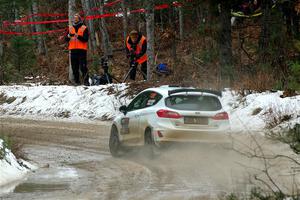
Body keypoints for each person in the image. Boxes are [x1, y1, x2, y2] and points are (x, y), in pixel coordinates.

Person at [65, 13, 89, 86]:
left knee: (83, 66)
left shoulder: (84, 28)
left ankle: (86, 81)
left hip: (82, 50)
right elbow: (66, 39)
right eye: (74, 18)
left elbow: (85, 39)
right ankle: (77, 82)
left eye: (76, 18)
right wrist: (68, 36)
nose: (74, 19)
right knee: (74, 67)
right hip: (73, 50)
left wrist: (78, 36)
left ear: (79, 19)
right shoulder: (70, 28)